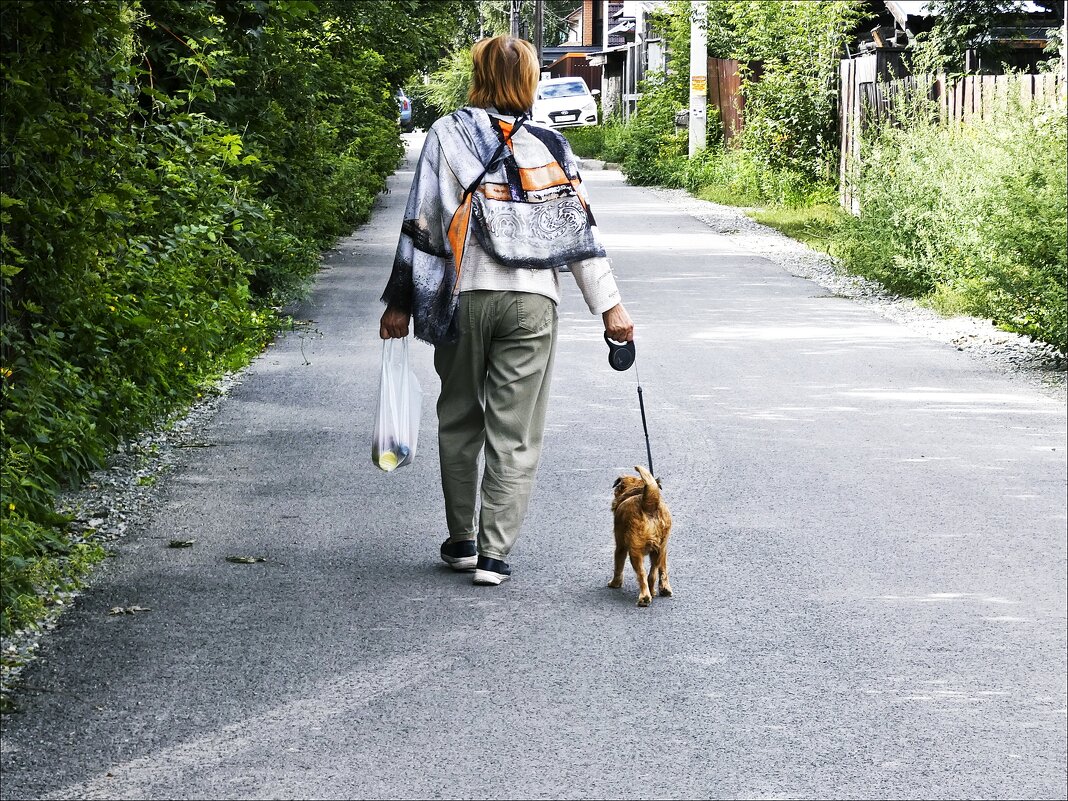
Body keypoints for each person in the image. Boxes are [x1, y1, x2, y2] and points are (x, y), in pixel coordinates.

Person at [379, 34, 633, 587]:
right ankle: (494, 555)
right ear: (529, 81)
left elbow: (420, 221)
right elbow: (580, 233)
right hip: (531, 303)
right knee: (514, 432)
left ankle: (462, 542)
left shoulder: (447, 134)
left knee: (460, 419)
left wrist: (400, 301)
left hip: (461, 299)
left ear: (478, 75)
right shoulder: (550, 144)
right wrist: (610, 309)